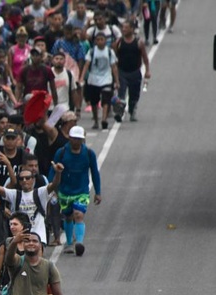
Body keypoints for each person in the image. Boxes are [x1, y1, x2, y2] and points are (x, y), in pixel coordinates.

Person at [51, 125, 102, 255]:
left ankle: (79, 242)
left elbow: (95, 173)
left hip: (82, 191)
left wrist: (98, 192)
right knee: (68, 216)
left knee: (78, 215)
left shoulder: (89, 154)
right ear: (69, 138)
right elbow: (52, 171)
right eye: (74, 138)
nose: (76, 141)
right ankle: (69, 243)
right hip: (65, 191)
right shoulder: (61, 153)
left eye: (79, 139)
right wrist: (50, 188)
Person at [80, 31, 119, 130]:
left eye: (102, 39)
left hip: (106, 79)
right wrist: (81, 78)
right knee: (94, 101)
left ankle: (104, 119)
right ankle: (96, 120)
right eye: (98, 40)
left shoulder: (110, 52)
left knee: (106, 99)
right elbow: (86, 65)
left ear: (106, 41)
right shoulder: (92, 52)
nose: (100, 42)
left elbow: (114, 67)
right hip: (93, 79)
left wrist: (117, 81)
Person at [113, 20, 150, 122]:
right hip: (122, 72)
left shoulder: (139, 42)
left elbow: (145, 58)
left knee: (134, 95)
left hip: (135, 72)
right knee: (121, 94)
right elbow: (114, 58)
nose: (123, 29)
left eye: (126, 27)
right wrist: (114, 74)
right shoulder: (119, 42)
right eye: (123, 27)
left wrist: (147, 71)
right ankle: (119, 113)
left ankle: (132, 110)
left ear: (132, 29)